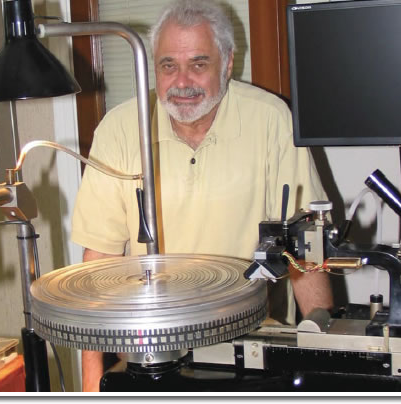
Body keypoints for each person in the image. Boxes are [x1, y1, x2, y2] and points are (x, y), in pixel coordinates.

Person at [71, 0, 333, 392]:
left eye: (198, 64)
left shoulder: (271, 121)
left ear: (227, 64)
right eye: (168, 66)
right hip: (150, 352)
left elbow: (306, 251)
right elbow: (98, 268)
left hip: (247, 345)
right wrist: (92, 387)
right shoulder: (120, 130)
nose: (182, 82)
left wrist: (324, 361)